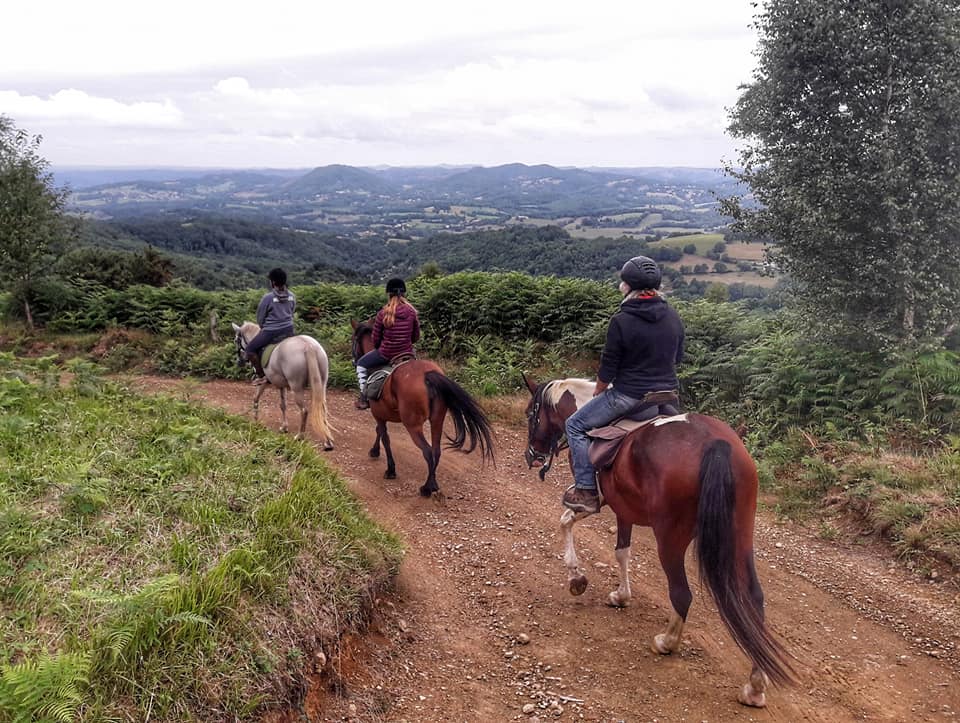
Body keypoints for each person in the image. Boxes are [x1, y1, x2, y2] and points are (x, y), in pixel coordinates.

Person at [562, 256, 685, 514]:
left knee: (573, 425)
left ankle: (586, 490)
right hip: (667, 396)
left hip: (631, 396)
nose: (621, 286)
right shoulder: (673, 316)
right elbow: (678, 358)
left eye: (623, 282)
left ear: (628, 287)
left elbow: (609, 367)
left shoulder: (621, 321)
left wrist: (599, 390)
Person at [355, 277, 421, 409]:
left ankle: (365, 397)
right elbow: (415, 337)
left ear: (389, 294)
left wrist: (382, 348)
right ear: (404, 294)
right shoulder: (412, 312)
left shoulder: (382, 314)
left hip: (386, 354)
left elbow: (376, 339)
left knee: (361, 364)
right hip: (407, 353)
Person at [246, 268, 296, 385]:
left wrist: (264, 326)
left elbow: (260, 318)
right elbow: (292, 311)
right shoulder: (292, 296)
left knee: (250, 350)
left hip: (271, 332)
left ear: (273, 282)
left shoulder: (267, 298)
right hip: (289, 330)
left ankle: (261, 375)